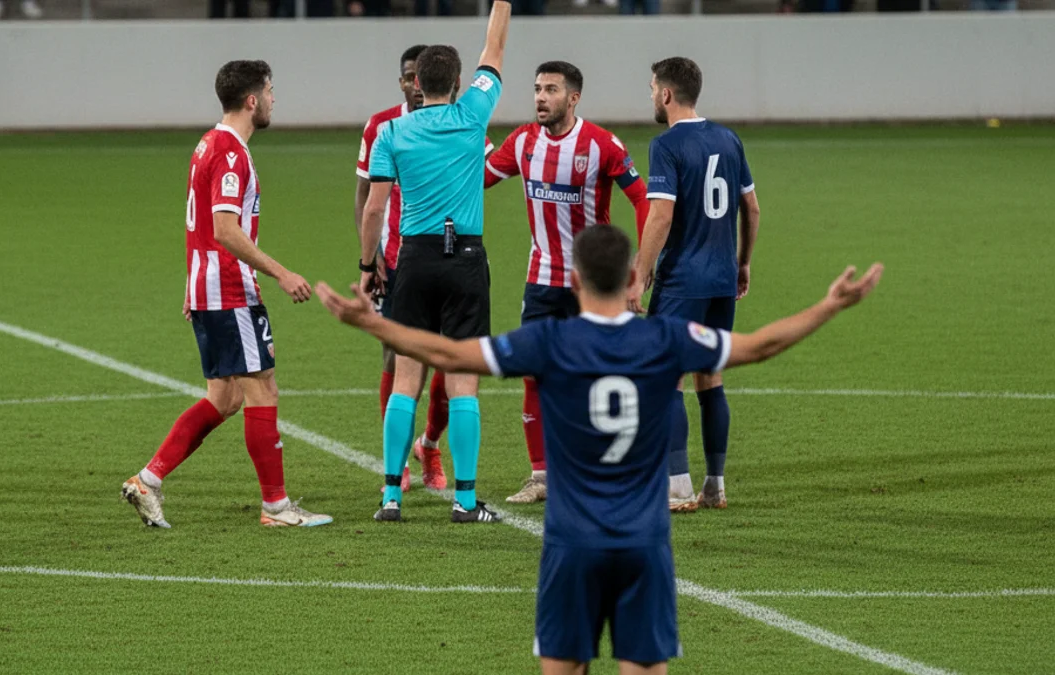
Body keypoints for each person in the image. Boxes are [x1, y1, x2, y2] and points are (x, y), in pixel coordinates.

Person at [316, 225, 883, 675]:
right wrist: (829, 306)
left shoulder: (549, 341)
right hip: (644, 546)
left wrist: (374, 325)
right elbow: (759, 347)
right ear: (634, 276)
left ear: (574, 280)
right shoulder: (666, 338)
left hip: (573, 546)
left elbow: (450, 355)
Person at [121, 60, 331, 529]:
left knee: (225, 397)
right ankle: (276, 506)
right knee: (262, 387)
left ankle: (148, 480)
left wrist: (192, 285)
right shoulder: (232, 153)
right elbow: (223, 228)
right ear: (252, 100)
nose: (275, 99)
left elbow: (197, 225)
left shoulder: (207, 144)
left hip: (207, 288)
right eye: (271, 91)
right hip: (230, 290)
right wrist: (281, 273)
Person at [358, 0, 512, 524]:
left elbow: (374, 208)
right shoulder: (473, 114)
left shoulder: (391, 133)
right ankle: (465, 501)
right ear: (460, 82)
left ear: (417, 84)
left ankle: (390, 496)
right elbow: (495, 48)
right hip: (464, 258)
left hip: (414, 260)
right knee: (463, 379)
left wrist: (367, 266)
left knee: (406, 378)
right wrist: (502, 3)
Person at [484, 61, 650, 504]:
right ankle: (541, 476)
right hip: (541, 280)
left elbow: (643, 200)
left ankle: (608, 468)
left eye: (551, 90)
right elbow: (480, 177)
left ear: (573, 98)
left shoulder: (602, 145)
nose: (541, 97)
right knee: (534, 374)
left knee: (601, 375)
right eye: (537, 88)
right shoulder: (522, 141)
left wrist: (640, 265)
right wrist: (467, 134)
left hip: (592, 285)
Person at [629, 57, 762, 513]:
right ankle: (715, 485)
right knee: (710, 378)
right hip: (722, 281)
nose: (651, 95)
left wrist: (640, 273)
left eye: (652, 88)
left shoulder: (666, 145)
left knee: (667, 377)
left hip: (683, 281)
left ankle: (677, 486)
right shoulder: (728, 139)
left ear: (666, 94)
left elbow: (661, 216)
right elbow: (753, 208)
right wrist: (743, 263)